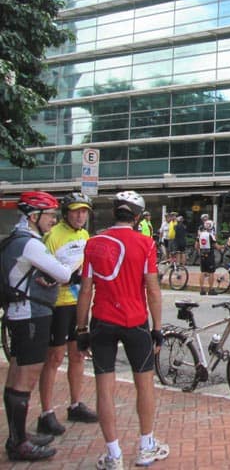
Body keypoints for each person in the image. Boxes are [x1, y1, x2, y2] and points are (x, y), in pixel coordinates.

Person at [76, 190, 167, 470]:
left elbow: (86, 290)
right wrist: (157, 327)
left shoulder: (93, 243)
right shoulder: (145, 243)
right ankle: (145, 447)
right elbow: (152, 289)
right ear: (137, 217)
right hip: (135, 321)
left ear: (114, 213)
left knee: (104, 387)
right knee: (144, 384)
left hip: (102, 320)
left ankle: (113, 454)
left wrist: (81, 329)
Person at [2, 191, 74, 461]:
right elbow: (63, 274)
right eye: (50, 215)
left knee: (16, 374)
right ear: (34, 217)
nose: (53, 220)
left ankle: (17, 435)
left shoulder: (16, 239)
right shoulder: (31, 244)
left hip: (20, 314)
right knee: (26, 377)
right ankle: (19, 443)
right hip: (31, 315)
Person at [37, 193, 98, 439]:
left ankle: (75, 404)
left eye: (84, 211)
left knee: (78, 354)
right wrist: (63, 278)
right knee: (54, 357)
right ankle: (46, 412)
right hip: (58, 304)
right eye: (75, 211)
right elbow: (42, 273)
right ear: (66, 213)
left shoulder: (85, 236)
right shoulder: (53, 236)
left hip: (79, 304)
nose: (80, 216)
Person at [196, 220, 217, 295]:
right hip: (210, 255)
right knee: (211, 272)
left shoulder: (200, 234)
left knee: (202, 272)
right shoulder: (211, 235)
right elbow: (215, 246)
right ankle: (210, 289)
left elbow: (196, 246)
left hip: (202, 255)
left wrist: (200, 252)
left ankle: (202, 289)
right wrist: (223, 247)